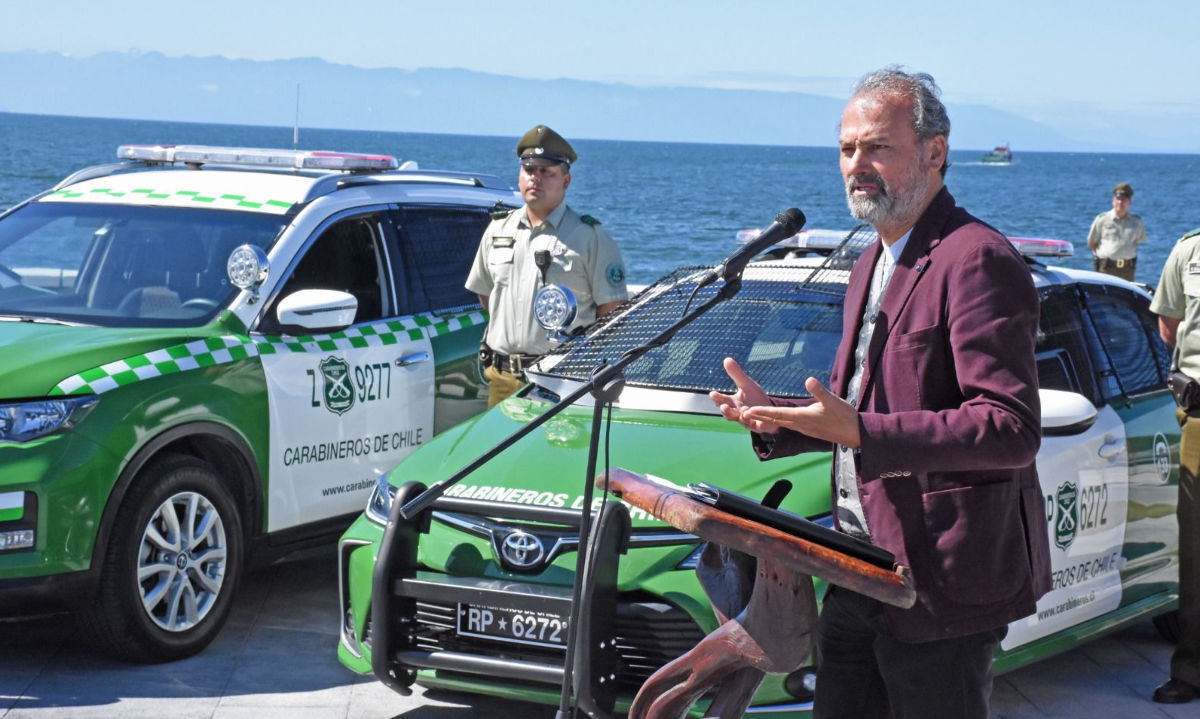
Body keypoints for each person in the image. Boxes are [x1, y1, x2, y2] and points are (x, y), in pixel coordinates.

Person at [710, 68, 1051, 719]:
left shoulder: (975, 259)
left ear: (934, 153)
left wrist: (863, 433)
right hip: (857, 569)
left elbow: (1009, 426)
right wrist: (773, 417)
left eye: (876, 147)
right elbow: (859, 404)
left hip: (940, 584)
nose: (856, 165)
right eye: (846, 148)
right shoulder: (871, 258)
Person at [466, 125, 628, 408]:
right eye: (529, 170)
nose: (535, 179)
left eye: (547, 172)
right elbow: (487, 296)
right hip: (503, 379)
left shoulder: (590, 237)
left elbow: (611, 311)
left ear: (566, 181)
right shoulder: (497, 231)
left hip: (561, 382)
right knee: (499, 453)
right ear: (519, 176)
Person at [1148, 226, 1200, 704]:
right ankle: (1192, 670)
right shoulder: (1189, 250)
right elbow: (1170, 324)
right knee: (1196, 553)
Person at [1087, 182, 1146, 282]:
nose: (1120, 203)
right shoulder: (1102, 219)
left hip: (1127, 270)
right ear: (1113, 201)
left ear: (1129, 202)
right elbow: (1092, 242)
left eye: (1124, 200)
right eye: (1118, 199)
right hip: (1106, 269)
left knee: (1126, 297)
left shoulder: (1136, 222)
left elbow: (1138, 241)